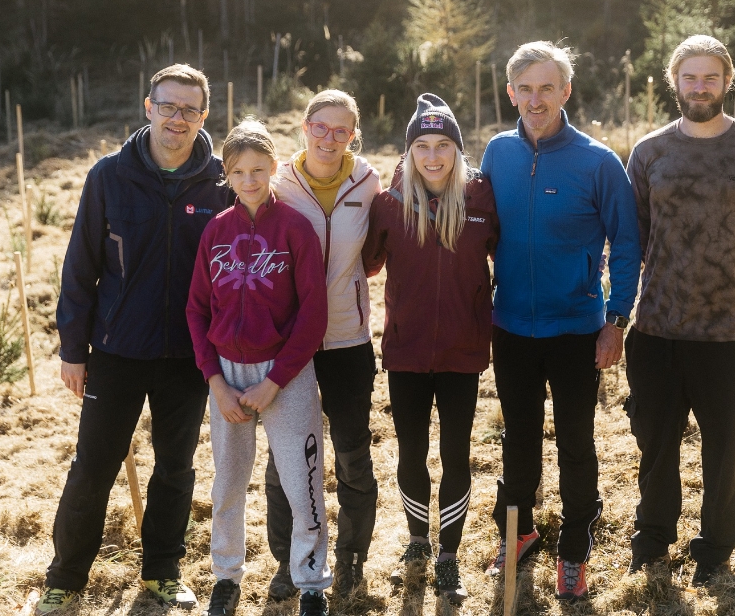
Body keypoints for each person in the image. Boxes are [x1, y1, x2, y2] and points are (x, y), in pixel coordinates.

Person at [41, 64, 229, 614]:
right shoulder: (108, 176)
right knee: (93, 465)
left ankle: (163, 571)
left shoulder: (220, 180)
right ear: (148, 107)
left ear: (203, 116)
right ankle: (66, 577)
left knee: (177, 466)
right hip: (117, 350)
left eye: (189, 110)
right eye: (167, 106)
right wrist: (74, 350)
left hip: (189, 355)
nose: (178, 118)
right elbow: (79, 269)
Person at [623, 35, 735, 587]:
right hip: (658, 328)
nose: (700, 86)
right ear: (675, 82)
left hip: (730, 333)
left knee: (726, 450)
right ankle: (652, 538)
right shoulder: (649, 152)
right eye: (689, 77)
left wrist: (732, 268)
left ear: (727, 81)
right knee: (655, 443)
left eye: (710, 77)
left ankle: (715, 548)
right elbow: (637, 229)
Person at [482, 41, 641, 602]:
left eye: (547, 87)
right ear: (511, 94)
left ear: (566, 91)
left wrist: (616, 318)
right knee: (517, 436)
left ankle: (575, 547)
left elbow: (626, 244)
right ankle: (519, 529)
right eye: (525, 88)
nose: (535, 98)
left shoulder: (598, 162)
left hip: (577, 329)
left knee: (576, 441)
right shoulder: (496, 153)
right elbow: (479, 228)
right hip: (511, 328)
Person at [186, 119, 330, 616]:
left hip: (284, 374)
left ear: (274, 167)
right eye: (239, 171)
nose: (250, 179)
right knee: (227, 481)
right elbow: (197, 310)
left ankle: (311, 584)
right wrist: (216, 382)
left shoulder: (295, 229)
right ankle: (225, 576)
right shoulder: (216, 231)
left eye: (259, 169)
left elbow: (313, 314)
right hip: (227, 372)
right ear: (226, 175)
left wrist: (276, 380)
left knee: (302, 479)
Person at [361, 94, 498, 604]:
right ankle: (418, 540)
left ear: (458, 151)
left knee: (456, 451)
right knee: (412, 450)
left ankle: (449, 554)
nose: (434, 156)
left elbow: (508, 254)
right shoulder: (389, 203)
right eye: (422, 145)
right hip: (407, 352)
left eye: (444, 145)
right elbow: (365, 264)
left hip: (464, 352)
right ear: (409, 151)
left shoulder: (482, 200)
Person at [267, 89, 382, 601]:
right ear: (304, 129)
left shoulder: (368, 181)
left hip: (347, 339)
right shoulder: (278, 184)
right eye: (321, 127)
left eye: (342, 130)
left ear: (353, 134)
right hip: (289, 342)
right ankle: (287, 559)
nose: (329, 139)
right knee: (286, 457)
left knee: (353, 451)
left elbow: (374, 251)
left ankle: (352, 555)